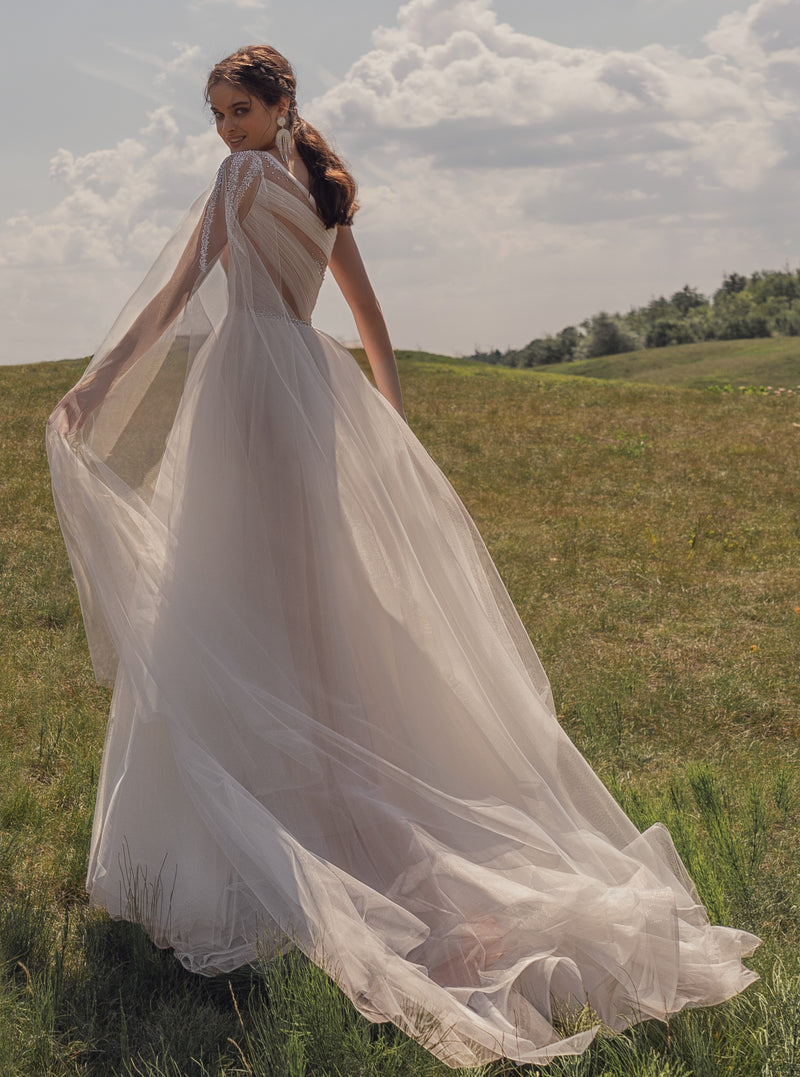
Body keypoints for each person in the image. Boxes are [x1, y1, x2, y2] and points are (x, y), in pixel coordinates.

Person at [47, 44, 759, 1069]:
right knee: (308, 608)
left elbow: (177, 290)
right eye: (214, 116)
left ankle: (252, 845)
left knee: (228, 606)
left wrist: (97, 387)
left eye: (237, 111)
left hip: (250, 390)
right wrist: (390, 434)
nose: (224, 133)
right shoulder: (323, 186)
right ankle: (324, 799)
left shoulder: (248, 179)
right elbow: (370, 323)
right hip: (311, 394)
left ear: (279, 106)